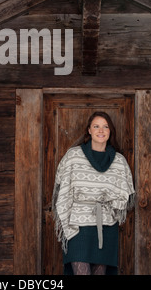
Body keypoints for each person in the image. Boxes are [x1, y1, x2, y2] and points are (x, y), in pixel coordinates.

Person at [52, 111, 135, 275]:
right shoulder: (73, 156)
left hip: (105, 226)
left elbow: (125, 195)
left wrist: (112, 205)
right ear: (89, 130)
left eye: (105, 126)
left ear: (110, 131)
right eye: (96, 126)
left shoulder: (119, 161)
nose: (101, 130)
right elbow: (63, 190)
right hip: (77, 227)